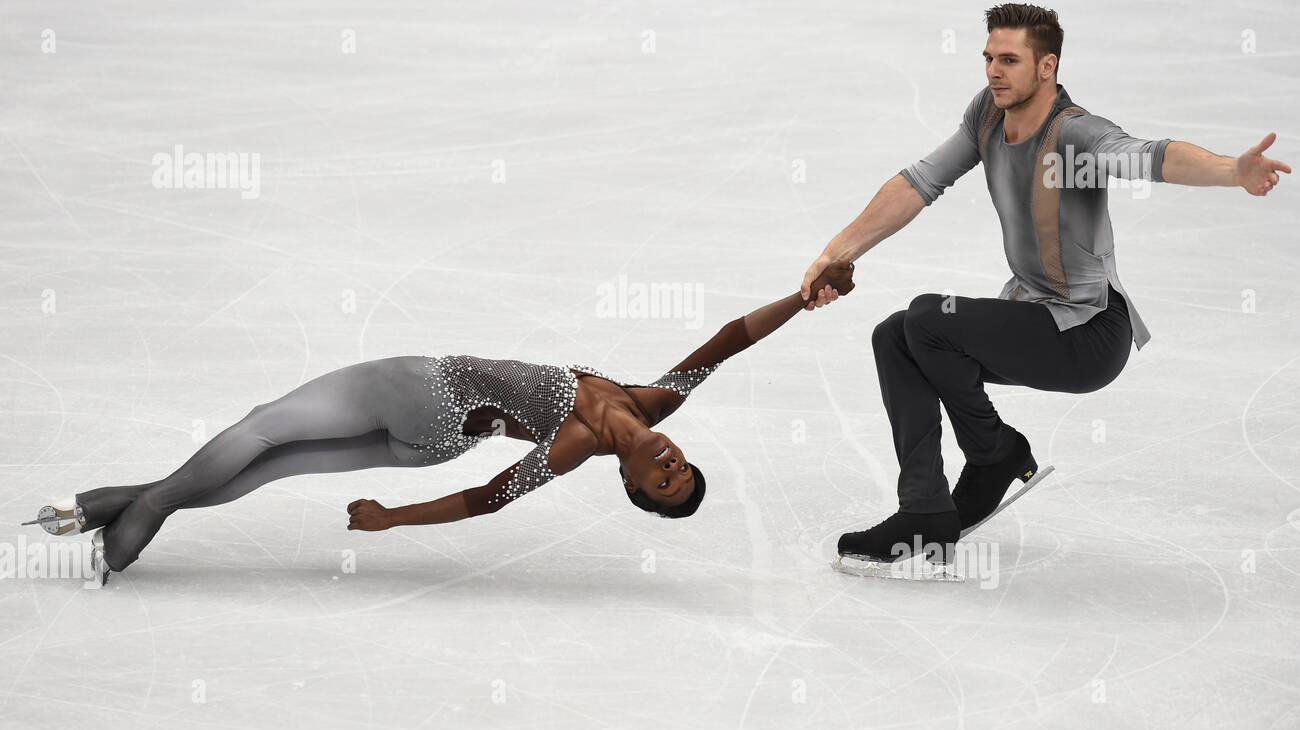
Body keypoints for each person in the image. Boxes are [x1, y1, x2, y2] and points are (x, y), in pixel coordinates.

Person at [801, 2, 1288, 575]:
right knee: (896, 335)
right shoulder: (987, 115)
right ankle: (926, 513)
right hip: (1035, 318)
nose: (993, 72)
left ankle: (992, 453)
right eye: (988, 58)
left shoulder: (1075, 135)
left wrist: (1233, 169)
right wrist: (838, 251)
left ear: (1047, 65)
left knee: (928, 318)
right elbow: (921, 180)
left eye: (1009, 60)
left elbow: (1151, 157)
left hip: (1088, 335)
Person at [28, 262, 855, 584]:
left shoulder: (579, 441)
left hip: (429, 394)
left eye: (663, 484)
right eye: (684, 470)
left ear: (633, 486)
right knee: (270, 466)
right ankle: (125, 503)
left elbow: (493, 498)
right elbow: (728, 342)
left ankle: (144, 508)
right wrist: (808, 292)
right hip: (431, 442)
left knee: (263, 426)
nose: (672, 465)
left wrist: (392, 521)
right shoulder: (655, 399)